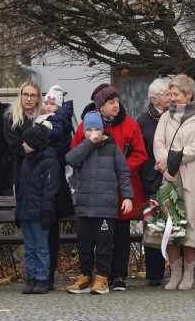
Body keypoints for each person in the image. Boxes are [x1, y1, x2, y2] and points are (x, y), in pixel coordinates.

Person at [70, 84, 147, 291]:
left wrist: (118, 167)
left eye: (116, 101)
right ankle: (97, 275)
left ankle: (119, 275)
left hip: (121, 187)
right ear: (99, 106)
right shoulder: (87, 126)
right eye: (110, 102)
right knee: (91, 236)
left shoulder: (129, 124)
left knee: (120, 233)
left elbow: (140, 153)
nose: (116, 105)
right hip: (92, 190)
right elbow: (74, 154)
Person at [153, 74, 195, 290]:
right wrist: (164, 165)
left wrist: (170, 159)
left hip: (190, 176)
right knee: (169, 224)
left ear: (189, 95)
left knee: (190, 225)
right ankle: (175, 273)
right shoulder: (166, 117)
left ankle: (189, 274)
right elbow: (158, 142)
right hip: (168, 175)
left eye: (175, 94)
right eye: (170, 94)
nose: (171, 98)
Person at [65, 111, 134, 295]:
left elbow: (123, 174)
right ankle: (85, 277)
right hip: (85, 206)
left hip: (105, 207)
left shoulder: (113, 149)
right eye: (89, 130)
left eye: (97, 129)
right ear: (84, 131)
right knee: (84, 243)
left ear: (102, 130)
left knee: (104, 244)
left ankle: (103, 277)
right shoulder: (82, 147)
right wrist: (88, 143)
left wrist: (127, 197)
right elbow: (70, 159)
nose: (93, 133)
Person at [16, 124, 61, 294]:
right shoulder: (26, 161)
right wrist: (18, 212)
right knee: (29, 248)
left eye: (25, 142)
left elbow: (49, 191)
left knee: (42, 247)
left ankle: (43, 278)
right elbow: (21, 189)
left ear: (34, 142)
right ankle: (31, 277)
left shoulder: (49, 162)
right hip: (26, 212)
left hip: (40, 213)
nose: (22, 145)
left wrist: (46, 214)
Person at [135, 78, 170, 286]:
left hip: (174, 180)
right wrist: (153, 172)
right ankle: (155, 275)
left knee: (177, 226)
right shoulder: (143, 121)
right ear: (154, 99)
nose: (171, 98)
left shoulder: (175, 116)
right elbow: (141, 153)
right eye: (167, 94)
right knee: (154, 227)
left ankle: (177, 270)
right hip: (153, 182)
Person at [40, 84, 75, 290]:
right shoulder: (51, 120)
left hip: (54, 181)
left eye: (51, 103)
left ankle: (48, 273)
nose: (48, 106)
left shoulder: (59, 121)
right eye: (46, 103)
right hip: (45, 180)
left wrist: (38, 132)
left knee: (51, 228)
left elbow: (54, 137)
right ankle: (44, 272)